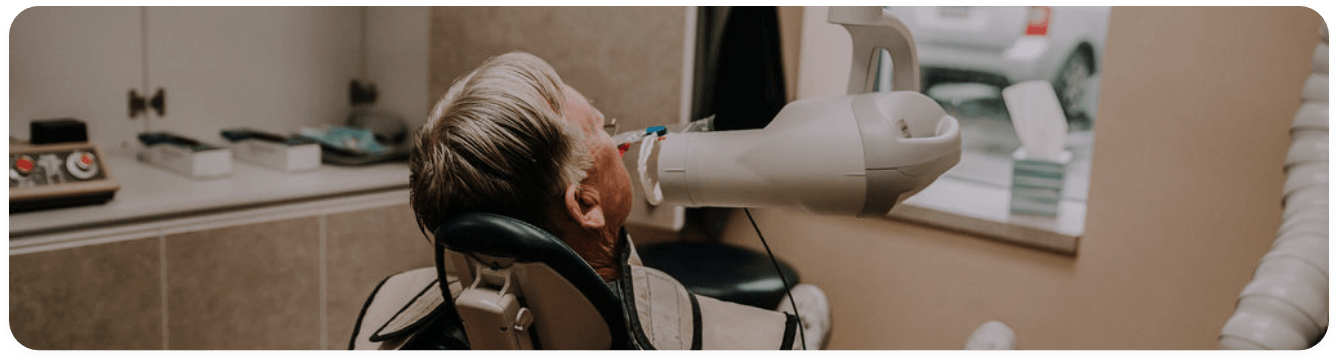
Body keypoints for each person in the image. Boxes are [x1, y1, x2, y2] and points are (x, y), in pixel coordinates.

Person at [390, 51, 832, 351]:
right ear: (585, 205)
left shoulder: (389, 311)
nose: (618, 136)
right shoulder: (757, 342)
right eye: (601, 128)